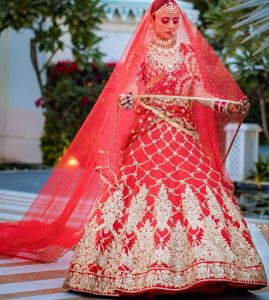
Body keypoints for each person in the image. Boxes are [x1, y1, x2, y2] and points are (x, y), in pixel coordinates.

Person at [0, 0, 267, 297]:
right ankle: (133, 269)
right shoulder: (144, 56)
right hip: (149, 138)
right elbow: (133, 89)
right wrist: (128, 98)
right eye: (165, 21)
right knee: (137, 194)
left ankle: (210, 267)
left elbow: (199, 95)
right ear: (151, 21)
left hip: (184, 140)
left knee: (201, 188)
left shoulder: (188, 57)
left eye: (175, 21)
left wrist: (225, 104)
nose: (171, 27)